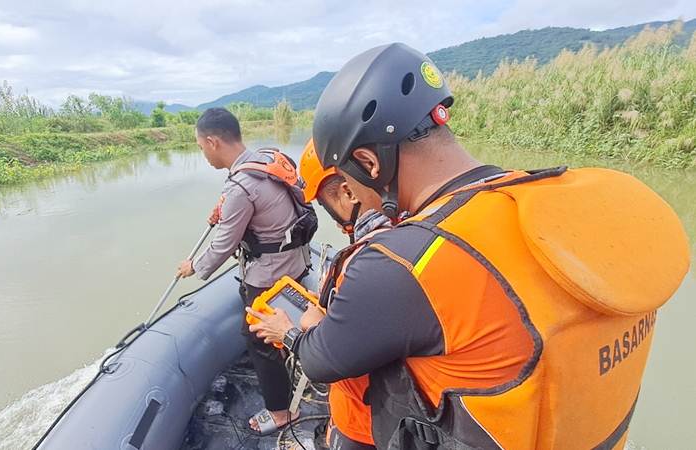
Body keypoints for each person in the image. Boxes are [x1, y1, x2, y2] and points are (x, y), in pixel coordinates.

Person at [248, 43, 690, 449]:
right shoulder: (556, 205)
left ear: (369, 162)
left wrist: (296, 328)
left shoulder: (400, 264)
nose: (355, 199)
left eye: (347, 182)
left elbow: (324, 360)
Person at [176, 107, 315, 435]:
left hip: (268, 274)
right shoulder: (267, 159)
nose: (203, 155)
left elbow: (223, 246)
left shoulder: (240, 187)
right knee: (275, 327)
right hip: (295, 261)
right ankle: (293, 362)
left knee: (258, 339)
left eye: (200, 147)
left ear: (212, 142)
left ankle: (280, 413)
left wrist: (193, 266)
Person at [297, 138, 389, 450]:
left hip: (363, 423)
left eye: (326, 204)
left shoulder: (366, 261)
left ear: (347, 193)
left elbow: (329, 360)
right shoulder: (409, 232)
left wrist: (300, 329)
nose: (336, 224)